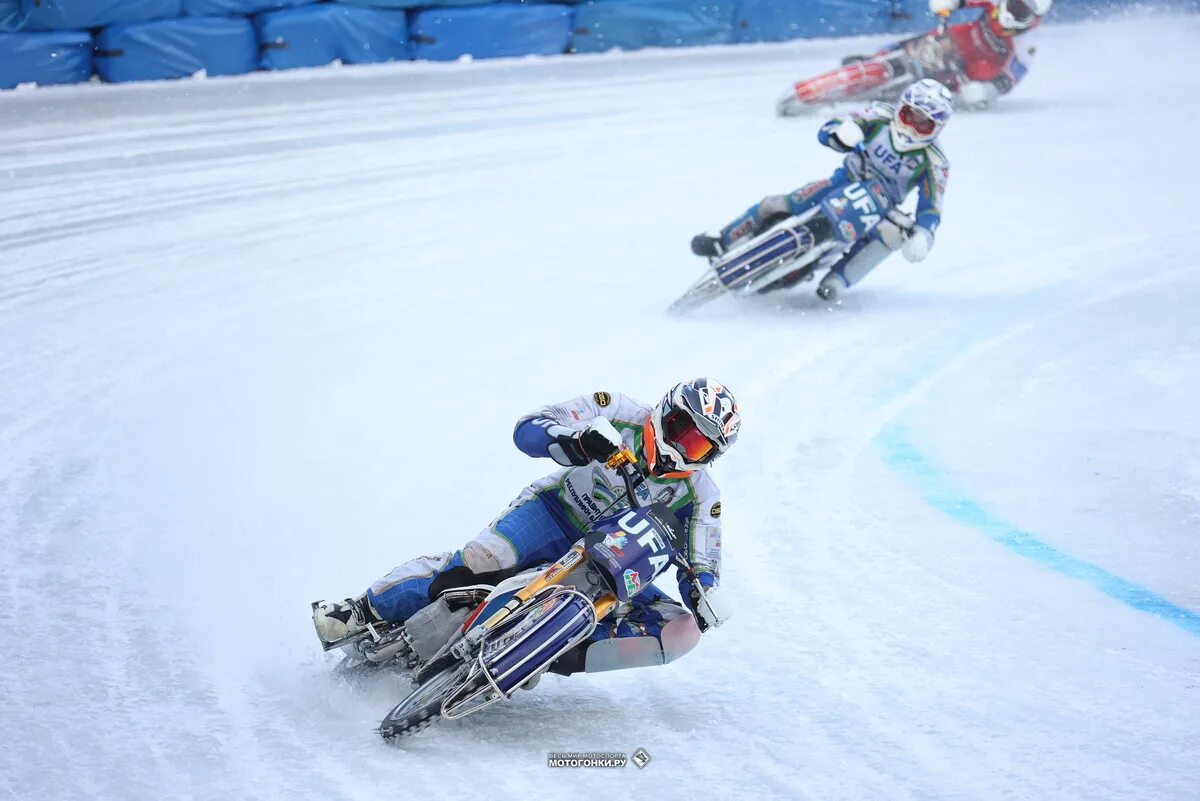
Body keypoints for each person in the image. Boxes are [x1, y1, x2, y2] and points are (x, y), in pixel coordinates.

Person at [313, 379, 741, 676]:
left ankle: (546, 651)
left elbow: (702, 566)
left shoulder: (703, 496)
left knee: (680, 631)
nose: (684, 447)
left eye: (699, 445)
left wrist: (706, 598)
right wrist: (575, 442)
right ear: (666, 409)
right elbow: (528, 428)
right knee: (478, 563)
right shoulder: (618, 411)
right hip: (553, 513)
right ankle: (360, 611)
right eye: (682, 431)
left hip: (613, 561)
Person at [693, 79, 952, 301]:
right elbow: (830, 128)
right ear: (900, 108)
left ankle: (839, 279)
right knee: (779, 203)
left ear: (937, 128)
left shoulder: (934, 162)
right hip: (843, 181)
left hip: (882, 208)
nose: (910, 129)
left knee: (892, 237)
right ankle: (723, 238)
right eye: (909, 117)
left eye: (923, 124)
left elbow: (931, 207)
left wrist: (923, 235)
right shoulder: (878, 115)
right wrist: (841, 134)